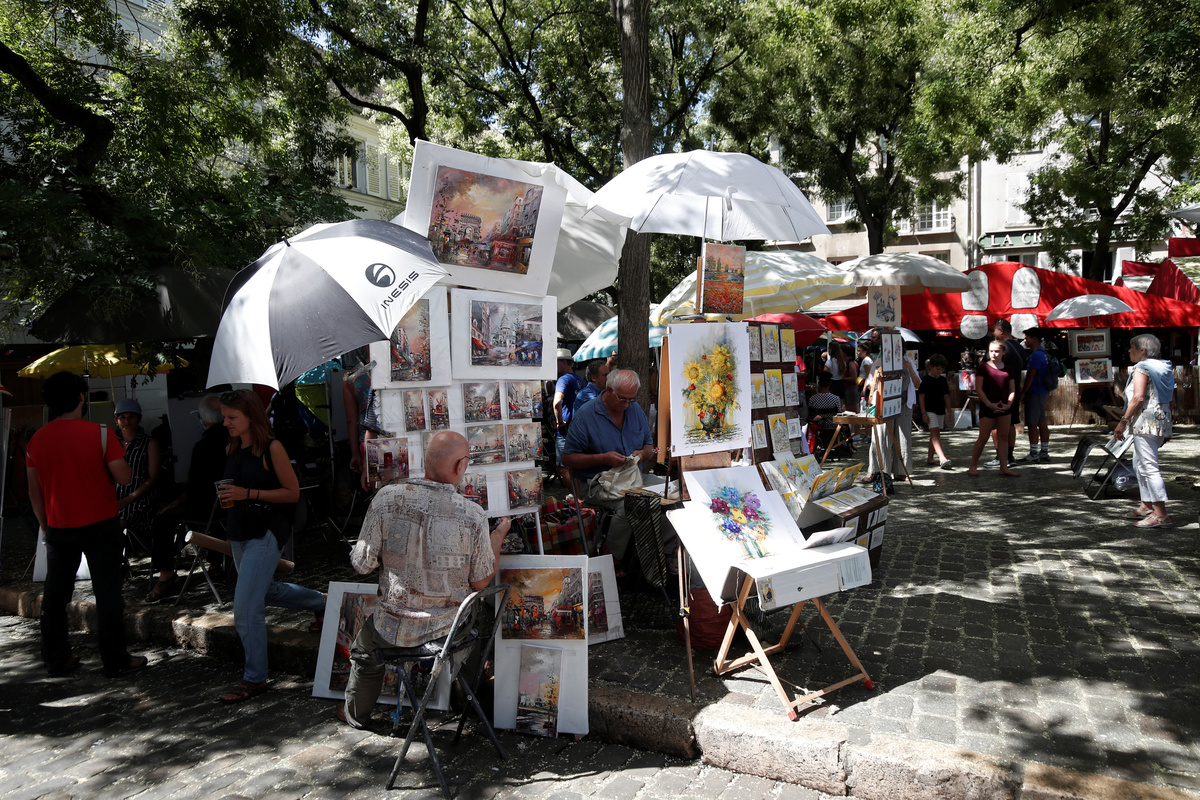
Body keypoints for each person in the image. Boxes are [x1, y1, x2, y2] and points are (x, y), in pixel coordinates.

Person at [341, 431, 509, 727]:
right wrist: (497, 537)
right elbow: (481, 582)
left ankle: (356, 716)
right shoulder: (472, 515)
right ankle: (472, 703)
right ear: (460, 466)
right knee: (475, 624)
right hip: (447, 631)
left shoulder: (387, 498)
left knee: (364, 652)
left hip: (391, 626)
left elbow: (362, 565)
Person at [25, 371, 146, 677]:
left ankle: (56, 658)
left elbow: (34, 492)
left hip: (59, 526)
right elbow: (124, 477)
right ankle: (115, 660)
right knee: (108, 593)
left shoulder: (37, 440)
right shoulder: (101, 434)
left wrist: (45, 526)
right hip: (101, 523)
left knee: (55, 596)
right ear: (81, 397)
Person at [214, 389, 326, 704]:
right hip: (240, 531)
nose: (225, 423)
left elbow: (292, 493)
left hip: (266, 531)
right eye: (224, 417)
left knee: (246, 608)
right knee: (264, 591)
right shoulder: (232, 447)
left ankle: (255, 678)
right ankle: (322, 602)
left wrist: (247, 494)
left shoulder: (272, 448)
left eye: (232, 417)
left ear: (251, 417)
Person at [562, 369, 661, 563]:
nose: (627, 404)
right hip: (596, 483)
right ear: (609, 390)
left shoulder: (634, 410)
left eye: (631, 399)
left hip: (633, 478)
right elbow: (568, 459)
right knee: (631, 505)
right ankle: (611, 556)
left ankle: (657, 553)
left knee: (669, 494)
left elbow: (649, 447)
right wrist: (602, 459)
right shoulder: (586, 415)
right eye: (622, 399)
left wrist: (642, 455)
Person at [146, 394, 230, 602]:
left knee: (163, 518)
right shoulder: (234, 438)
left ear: (205, 419)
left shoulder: (205, 445)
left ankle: (166, 574)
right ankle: (215, 563)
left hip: (209, 506)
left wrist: (178, 500)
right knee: (216, 512)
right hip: (228, 505)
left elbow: (195, 486)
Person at [1114, 334, 1175, 528]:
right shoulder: (1164, 366)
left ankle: (1161, 514)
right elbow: (1169, 397)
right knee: (1139, 463)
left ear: (1143, 350)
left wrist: (1123, 421)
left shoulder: (1142, 367)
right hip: (1160, 420)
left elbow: (1138, 397)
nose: (1129, 351)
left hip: (1146, 422)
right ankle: (1146, 505)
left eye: (1132, 348)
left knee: (1149, 467)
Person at [967, 340, 1021, 477]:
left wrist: (1009, 404)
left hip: (1004, 407)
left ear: (1003, 352)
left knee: (1003, 437)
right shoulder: (983, 367)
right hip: (988, 406)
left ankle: (1003, 467)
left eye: (997, 351)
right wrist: (988, 404)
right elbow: (979, 388)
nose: (994, 354)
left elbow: (1012, 389)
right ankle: (973, 465)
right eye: (991, 351)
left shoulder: (1008, 368)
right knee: (983, 437)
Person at [113, 398, 161, 546]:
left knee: (118, 523)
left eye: (131, 417)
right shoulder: (112, 443)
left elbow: (152, 478)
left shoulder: (149, 443)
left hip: (140, 498)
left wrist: (130, 498)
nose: (127, 421)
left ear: (139, 418)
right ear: (116, 420)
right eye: (122, 417)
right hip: (115, 497)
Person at [990, 320, 1025, 467]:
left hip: (1000, 391)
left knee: (996, 424)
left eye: (994, 330)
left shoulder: (1000, 347)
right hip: (1015, 390)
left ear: (1001, 331)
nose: (993, 334)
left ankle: (1000, 456)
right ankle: (1010, 456)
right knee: (1011, 424)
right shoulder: (1020, 347)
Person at [552, 348, 584, 485]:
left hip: (566, 430)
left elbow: (557, 402)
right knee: (575, 466)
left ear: (563, 362)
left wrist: (559, 423)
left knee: (563, 467)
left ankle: (577, 496)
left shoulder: (563, 379)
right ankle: (579, 494)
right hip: (578, 428)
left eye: (556, 362)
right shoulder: (579, 379)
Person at [1020, 328, 1051, 463]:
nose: (1025, 341)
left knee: (1032, 423)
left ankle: (1034, 453)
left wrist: (1023, 393)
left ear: (1034, 339)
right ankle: (1044, 451)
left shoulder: (1035, 355)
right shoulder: (1044, 354)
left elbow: (1030, 376)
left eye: (1026, 338)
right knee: (1041, 421)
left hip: (1035, 392)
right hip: (1043, 391)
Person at [918, 354, 953, 469]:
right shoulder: (925, 380)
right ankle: (942, 457)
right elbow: (921, 397)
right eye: (938, 369)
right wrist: (924, 412)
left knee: (935, 434)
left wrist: (949, 411)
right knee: (935, 432)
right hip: (929, 410)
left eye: (942, 369)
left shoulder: (942, 380)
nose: (940, 371)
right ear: (931, 367)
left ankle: (930, 458)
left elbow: (946, 396)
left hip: (940, 410)